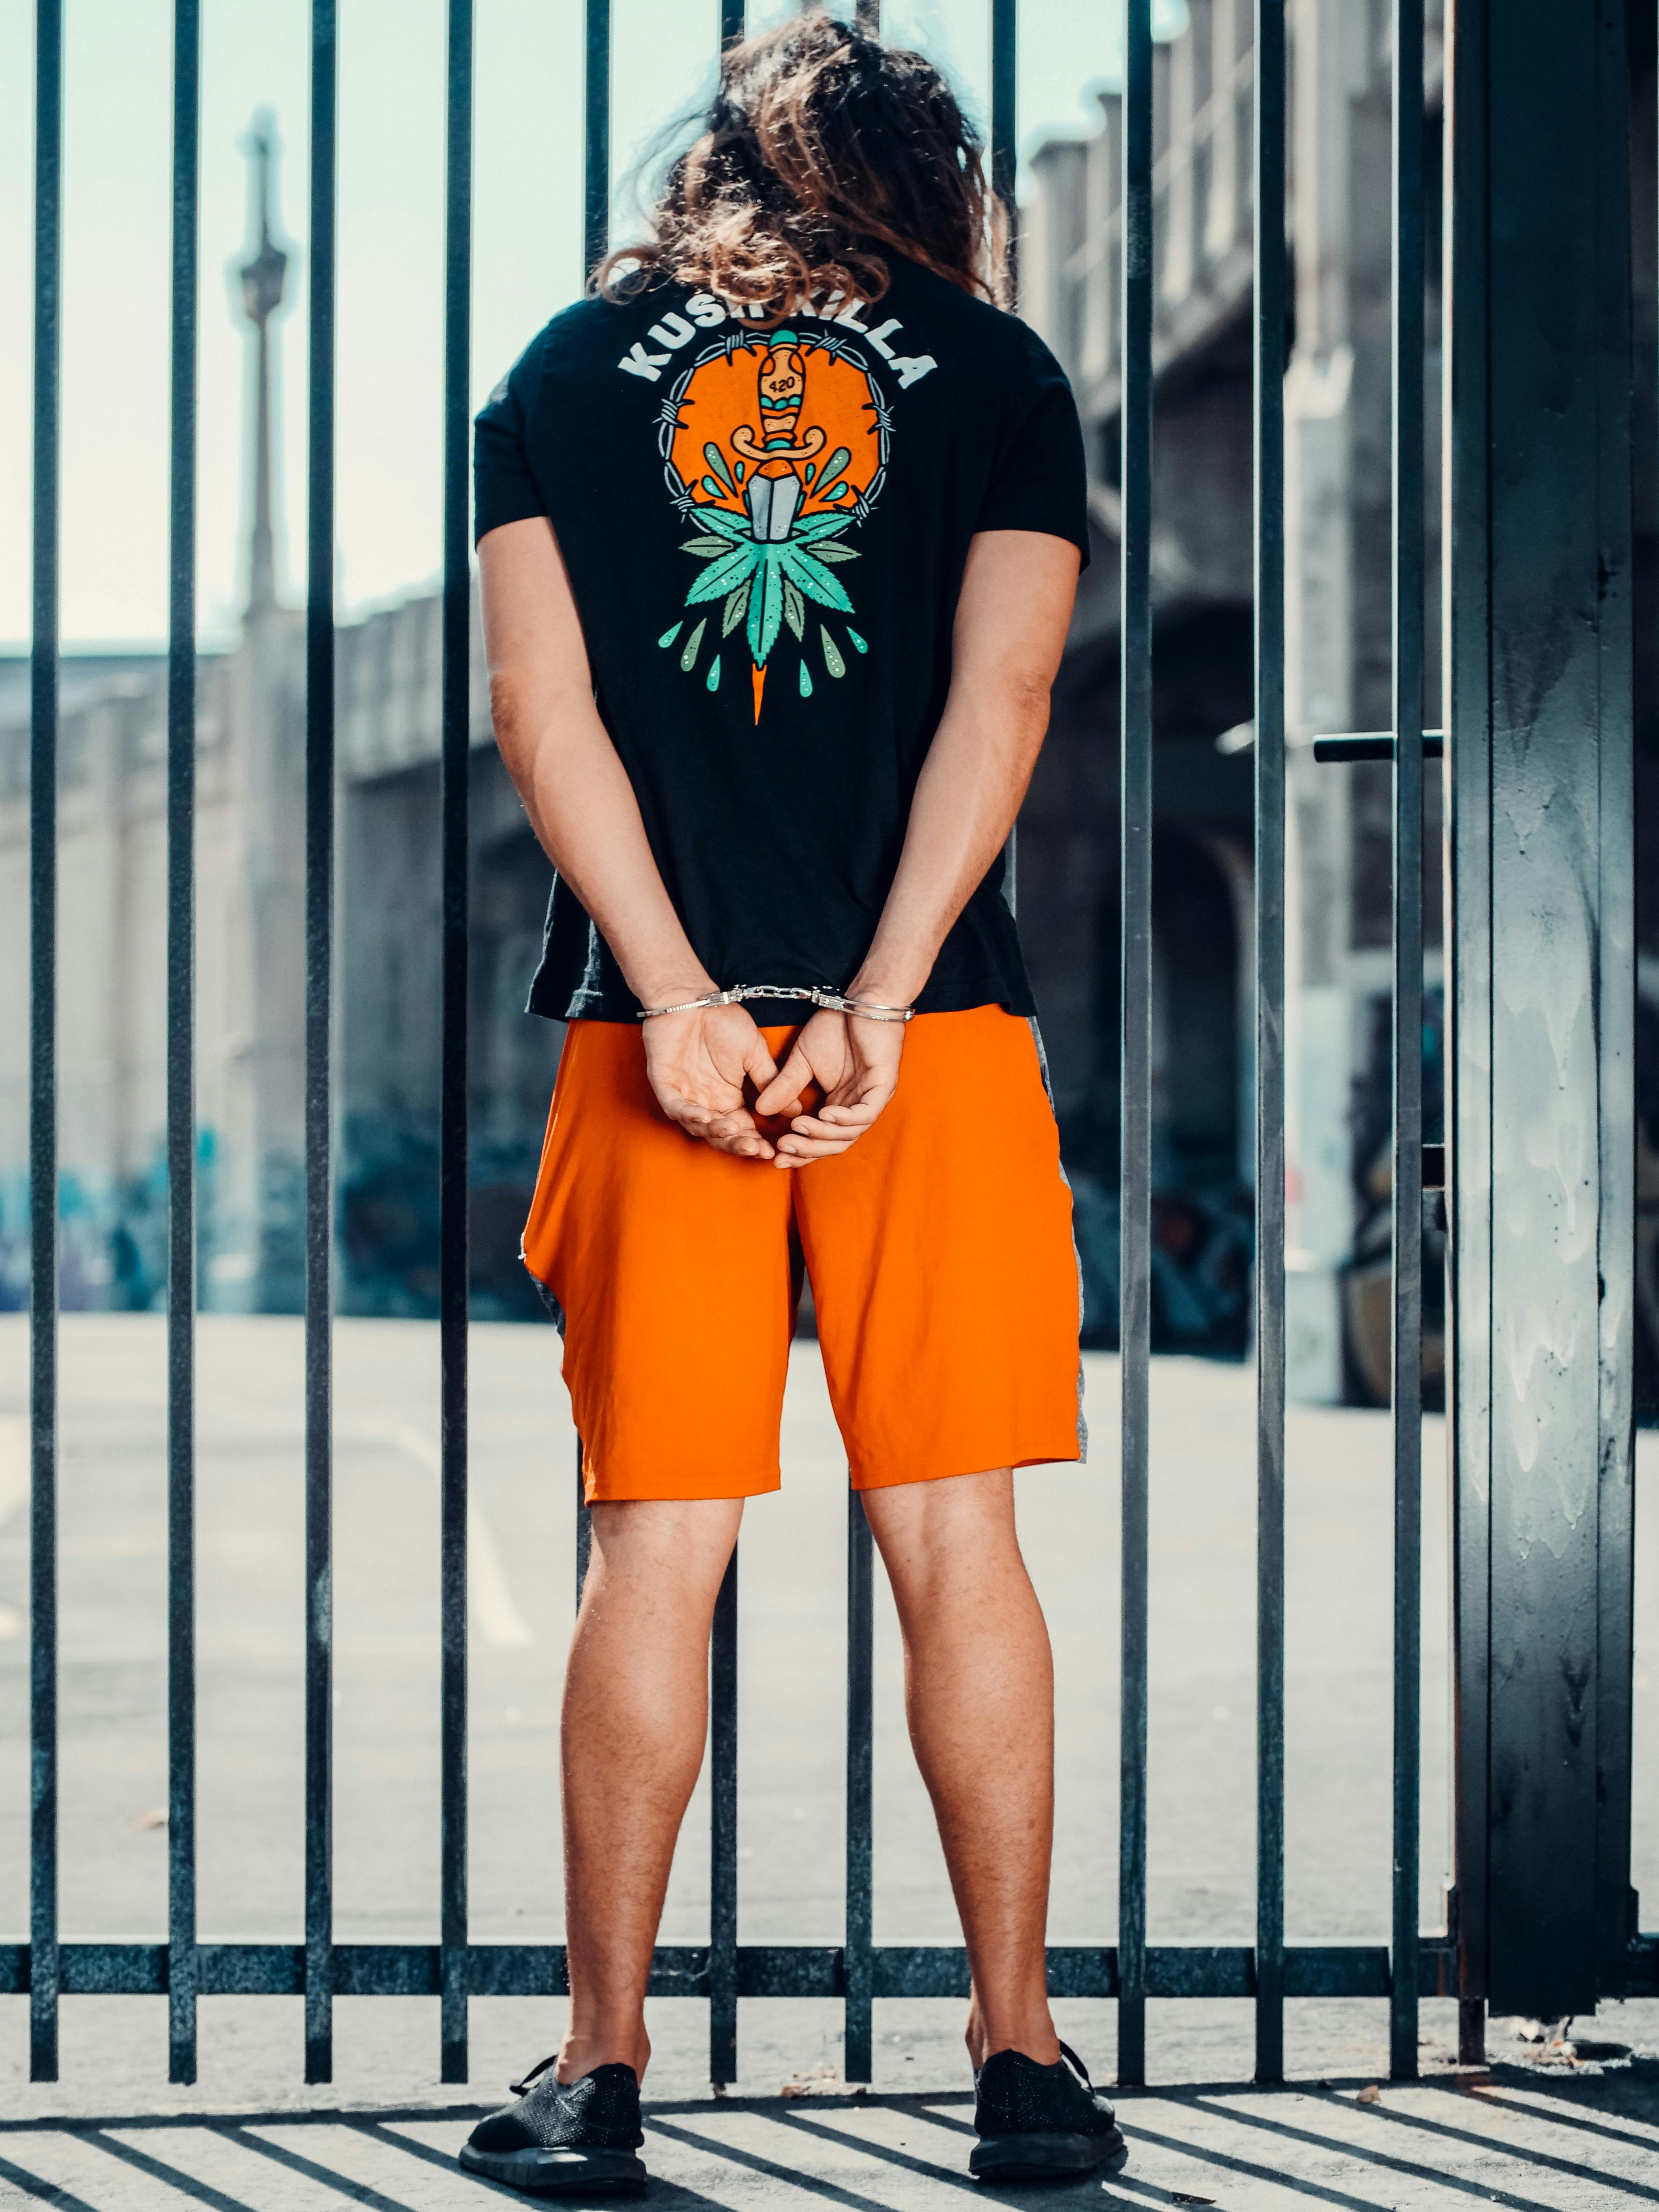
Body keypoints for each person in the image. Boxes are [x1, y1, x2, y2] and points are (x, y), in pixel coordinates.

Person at [459, 11, 1125, 2192]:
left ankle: (604, 2065)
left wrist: (670, 996)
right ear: (927, 175)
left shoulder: (559, 378)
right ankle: (1019, 2061)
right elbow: (1006, 692)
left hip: (649, 1032)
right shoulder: (1002, 379)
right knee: (956, 1538)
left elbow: (540, 714)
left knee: (659, 1544)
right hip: (923, 1036)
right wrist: (882, 985)